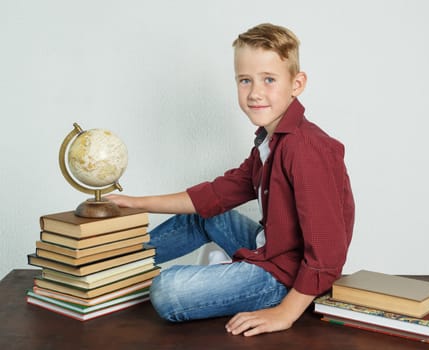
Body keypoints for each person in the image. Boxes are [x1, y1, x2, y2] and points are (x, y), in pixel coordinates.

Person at [107, 23, 355, 337]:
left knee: (166, 290)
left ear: (297, 83)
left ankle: (231, 280)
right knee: (206, 215)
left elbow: (328, 253)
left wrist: (285, 313)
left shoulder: (305, 149)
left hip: (286, 278)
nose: (255, 93)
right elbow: (214, 195)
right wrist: (136, 203)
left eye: (269, 79)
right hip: (270, 251)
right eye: (245, 80)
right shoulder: (270, 141)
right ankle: (113, 269)